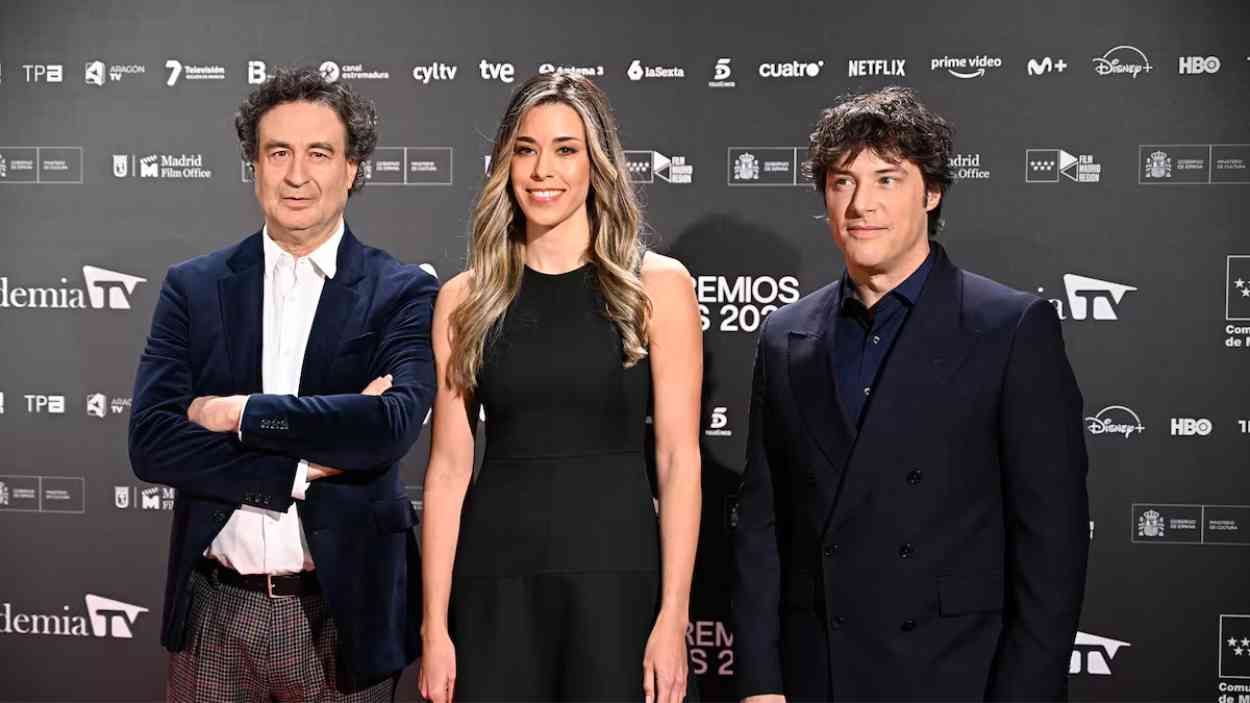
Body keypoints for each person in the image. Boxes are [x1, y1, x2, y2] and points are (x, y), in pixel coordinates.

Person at [731, 87, 1090, 702]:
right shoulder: (786, 335)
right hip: (821, 675)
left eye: (887, 180)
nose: (861, 204)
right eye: (842, 182)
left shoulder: (1010, 328)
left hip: (957, 675)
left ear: (931, 192)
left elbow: (1051, 543)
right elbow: (762, 527)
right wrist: (761, 684)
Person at [128, 65, 438, 702]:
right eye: (278, 153)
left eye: (319, 153)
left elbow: (387, 427)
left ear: (352, 168)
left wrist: (237, 413)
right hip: (214, 611)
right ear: (254, 165)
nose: (297, 175)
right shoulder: (193, 286)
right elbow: (152, 442)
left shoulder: (403, 291)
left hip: (342, 617)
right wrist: (298, 469)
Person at [417, 72, 702, 703]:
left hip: (618, 587)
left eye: (566, 149)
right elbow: (448, 469)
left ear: (597, 163)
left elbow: (678, 460)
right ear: (505, 163)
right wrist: (435, 626)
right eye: (526, 149)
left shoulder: (657, 287)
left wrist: (673, 616)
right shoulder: (464, 300)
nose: (543, 170)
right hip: (495, 588)